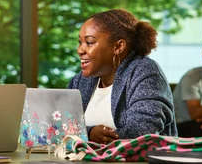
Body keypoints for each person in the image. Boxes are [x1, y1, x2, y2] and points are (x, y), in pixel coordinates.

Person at [67, 8, 177, 144]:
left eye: (89, 42)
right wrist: (89, 132)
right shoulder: (80, 81)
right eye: (80, 42)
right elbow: (61, 128)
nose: (80, 50)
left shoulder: (146, 72)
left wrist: (87, 135)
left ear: (118, 46)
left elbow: (143, 131)